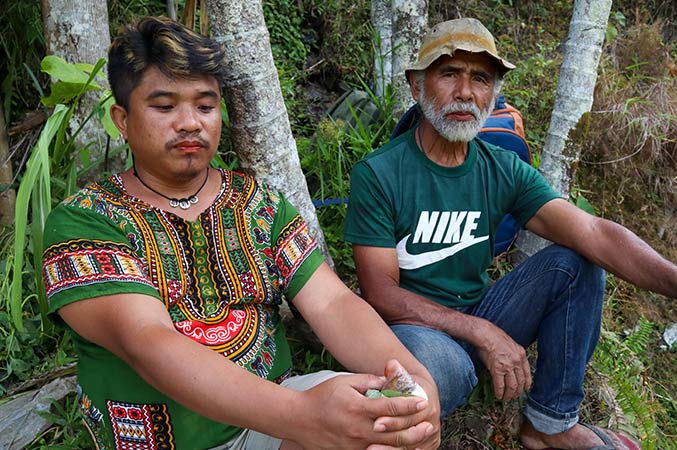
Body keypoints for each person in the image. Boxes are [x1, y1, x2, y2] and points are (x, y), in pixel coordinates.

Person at [343, 17, 677, 450]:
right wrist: (481, 333)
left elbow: (594, 232)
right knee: (438, 370)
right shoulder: (381, 173)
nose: (465, 93)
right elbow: (381, 293)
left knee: (577, 262)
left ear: (494, 93)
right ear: (416, 85)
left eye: (480, 78)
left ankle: (549, 425)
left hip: (483, 310)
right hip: (416, 331)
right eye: (449, 74)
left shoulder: (500, 167)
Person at [41, 16, 440, 450]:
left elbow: (332, 301)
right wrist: (305, 417)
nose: (190, 122)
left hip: (272, 424)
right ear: (122, 118)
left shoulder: (258, 204)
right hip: (167, 440)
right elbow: (147, 342)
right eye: (164, 106)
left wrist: (409, 374)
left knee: (391, 430)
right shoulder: (86, 222)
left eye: (205, 106)